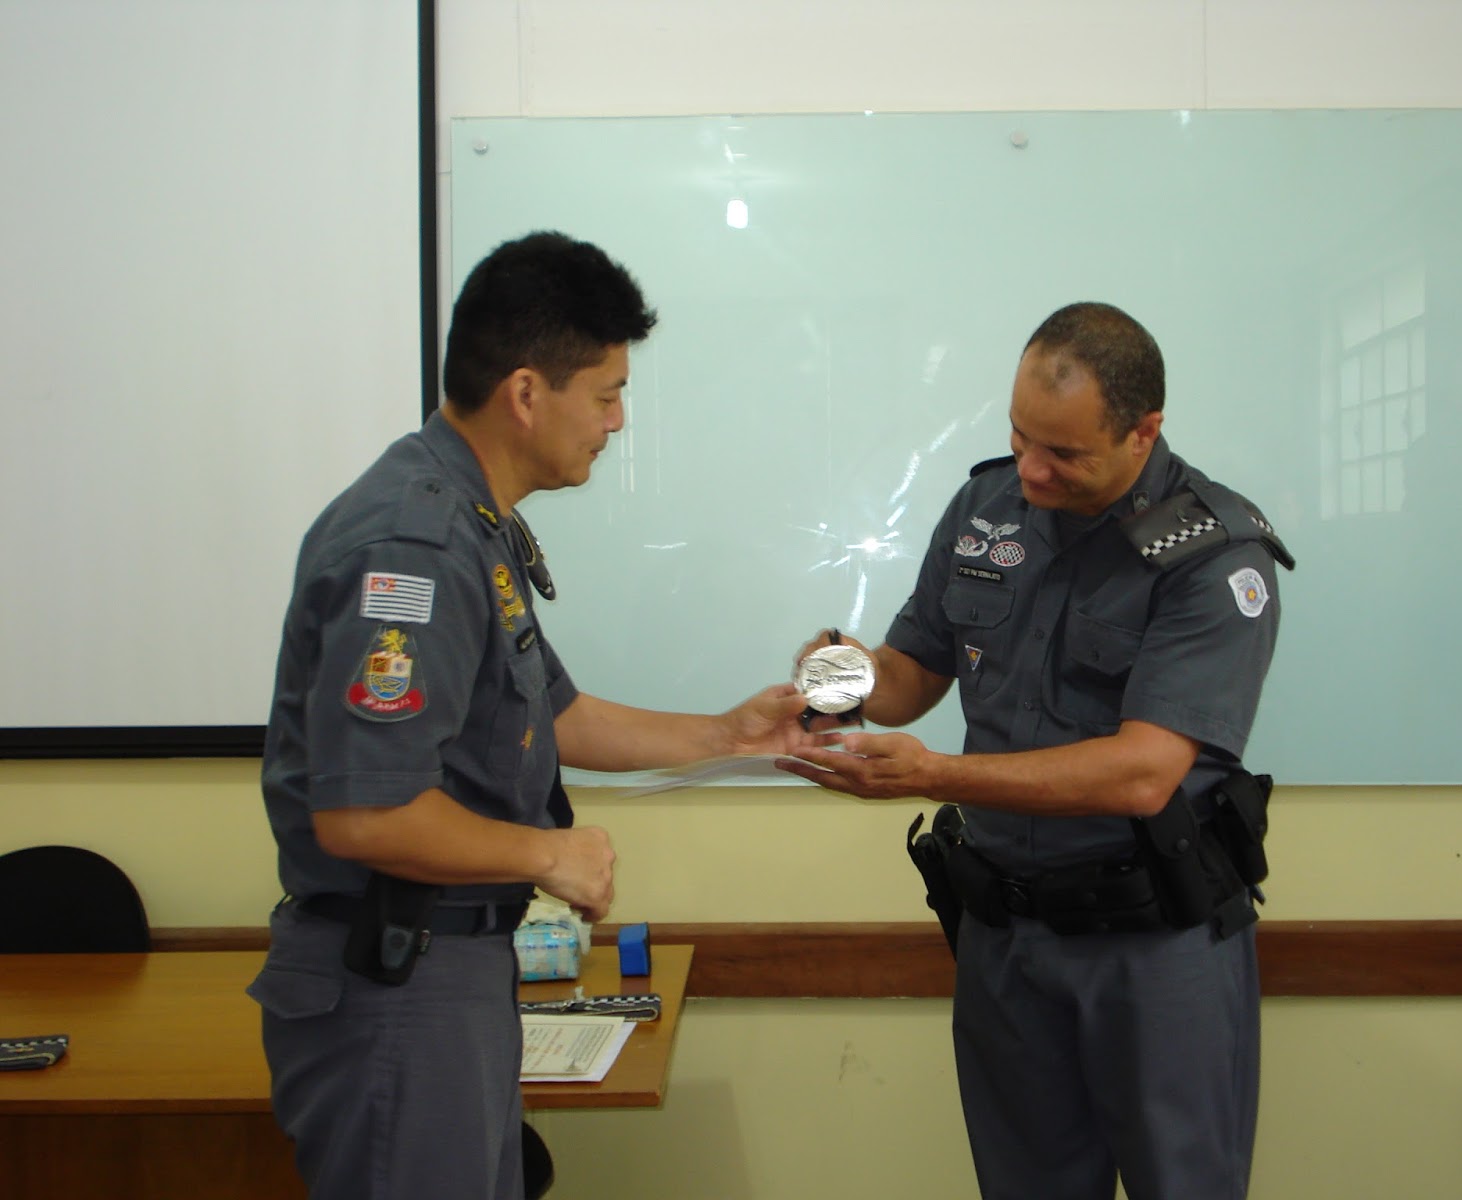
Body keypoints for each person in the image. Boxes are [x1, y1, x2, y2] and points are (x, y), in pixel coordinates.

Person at [248, 230, 818, 1200]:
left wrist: (730, 736)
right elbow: (366, 814)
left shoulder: (474, 526)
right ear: (524, 393)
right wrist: (547, 854)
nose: (618, 422)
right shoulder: (416, 547)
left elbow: (555, 716)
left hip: (449, 971)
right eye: (605, 395)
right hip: (399, 985)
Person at [779, 301, 1292, 1200]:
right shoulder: (988, 508)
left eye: (1063, 453)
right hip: (1006, 935)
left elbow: (1143, 772)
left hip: (1151, 944)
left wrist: (935, 775)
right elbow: (913, 670)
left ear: (1143, 432)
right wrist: (835, 677)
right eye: (1019, 437)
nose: (1031, 470)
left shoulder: (1213, 557)